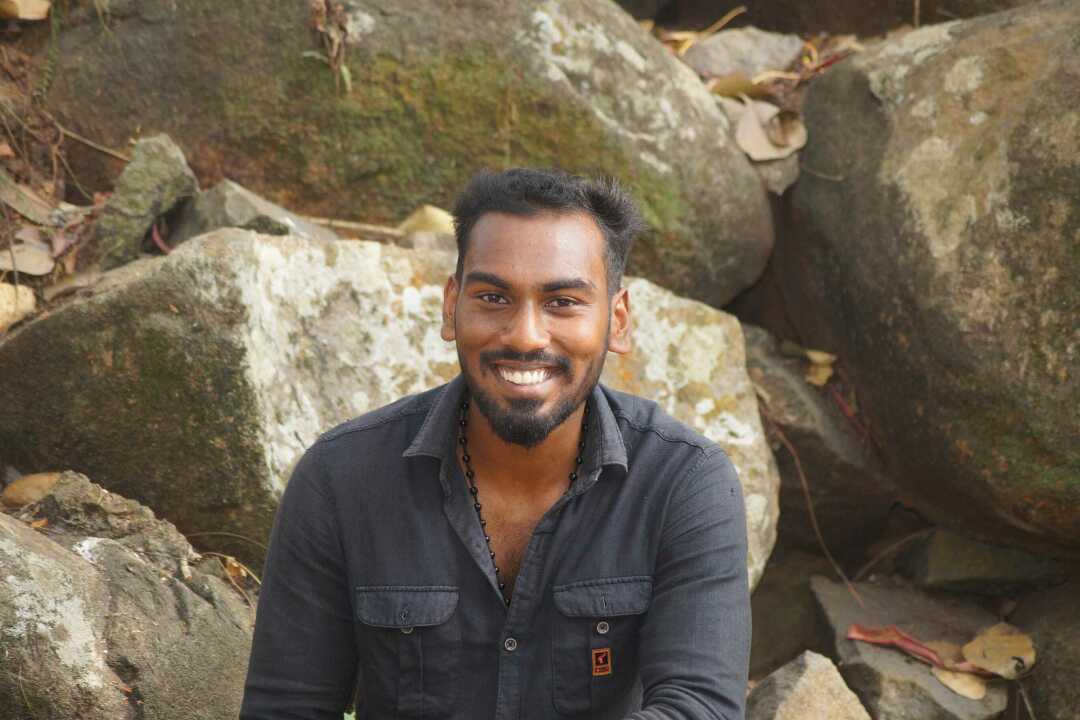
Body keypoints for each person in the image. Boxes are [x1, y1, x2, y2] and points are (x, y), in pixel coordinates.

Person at [239, 168, 751, 719]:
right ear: (451, 306)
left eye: (563, 302)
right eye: (493, 297)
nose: (525, 335)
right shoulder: (341, 479)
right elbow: (285, 709)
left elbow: (701, 709)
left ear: (617, 321)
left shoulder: (682, 482)